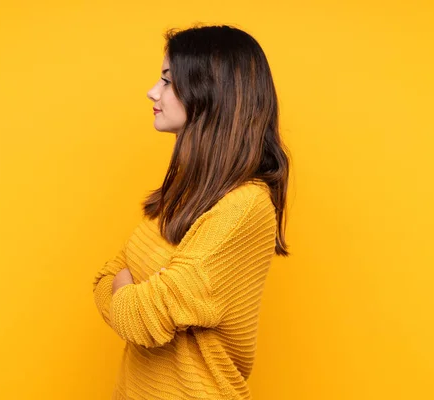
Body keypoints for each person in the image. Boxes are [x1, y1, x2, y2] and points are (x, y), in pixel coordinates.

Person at [93, 23, 291, 400]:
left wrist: (130, 286)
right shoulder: (185, 192)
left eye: (168, 81)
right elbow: (104, 277)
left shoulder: (244, 207)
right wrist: (131, 290)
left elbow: (140, 319)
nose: (153, 91)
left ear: (210, 92)